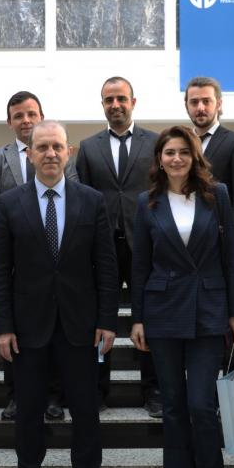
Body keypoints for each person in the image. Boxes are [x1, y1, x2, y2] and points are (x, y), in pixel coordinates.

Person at [0, 120, 118, 468]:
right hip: (28, 328)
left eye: (57, 147)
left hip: (81, 326)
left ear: (69, 152)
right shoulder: (10, 204)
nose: (49, 154)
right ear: (29, 154)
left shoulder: (92, 201)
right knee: (28, 413)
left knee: (85, 411)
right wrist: (3, 326)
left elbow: (107, 266)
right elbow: (0, 271)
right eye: (42, 147)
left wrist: (107, 320)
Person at [129, 125, 234, 468]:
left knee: (201, 405)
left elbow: (231, 258)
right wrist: (138, 318)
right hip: (162, 313)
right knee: (174, 407)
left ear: (194, 157)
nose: (176, 159)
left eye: (183, 152)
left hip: (209, 312)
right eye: (169, 152)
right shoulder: (147, 202)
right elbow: (140, 265)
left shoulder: (217, 195)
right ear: (159, 160)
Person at [0, 91, 76, 421]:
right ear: (9, 122)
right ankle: (16, 396)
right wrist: (21, 233)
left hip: (57, 258)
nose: (25, 120)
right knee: (14, 331)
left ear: (41, 116)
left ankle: (53, 396)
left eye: (31, 114)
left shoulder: (60, 154)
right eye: (18, 115)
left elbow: (73, 198)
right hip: (14, 259)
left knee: (54, 328)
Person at [76, 76, 162, 417]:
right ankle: (97, 389)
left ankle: (153, 389)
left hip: (145, 245)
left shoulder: (155, 143)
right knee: (101, 319)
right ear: (102, 105)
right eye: (109, 99)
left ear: (133, 102)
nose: (116, 105)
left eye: (121, 99)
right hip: (103, 247)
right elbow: (81, 198)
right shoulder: (88, 147)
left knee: (148, 317)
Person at [184, 76, 234, 227]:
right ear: (186, 106)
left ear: (219, 104)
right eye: (194, 102)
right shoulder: (181, 144)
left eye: (206, 101)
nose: (200, 108)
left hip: (219, 232)